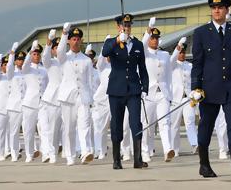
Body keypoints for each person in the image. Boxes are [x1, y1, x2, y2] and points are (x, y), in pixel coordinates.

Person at [191, 0, 231, 178]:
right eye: (214, 8)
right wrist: (195, 88)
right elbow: (197, 63)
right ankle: (204, 164)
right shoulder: (201, 33)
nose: (217, 10)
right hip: (209, 89)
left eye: (220, 7)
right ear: (211, 11)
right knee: (206, 127)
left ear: (226, 10)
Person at [102, 14, 149, 169]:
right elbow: (104, 52)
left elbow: (142, 67)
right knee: (116, 123)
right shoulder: (111, 42)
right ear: (118, 26)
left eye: (128, 25)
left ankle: (137, 159)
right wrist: (117, 41)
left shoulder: (137, 44)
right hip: (116, 90)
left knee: (136, 123)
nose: (126, 28)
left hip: (133, 89)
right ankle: (116, 159)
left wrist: (145, 87)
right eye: (124, 25)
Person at [57, 23, 94, 166]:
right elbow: (60, 50)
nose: (76, 41)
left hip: (83, 97)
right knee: (69, 128)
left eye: (78, 38)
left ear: (81, 41)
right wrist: (64, 33)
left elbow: (90, 81)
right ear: (69, 41)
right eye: (73, 38)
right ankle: (70, 155)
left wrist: (91, 98)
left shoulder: (86, 59)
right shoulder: (64, 57)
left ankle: (85, 152)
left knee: (84, 125)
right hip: (67, 98)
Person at [141, 23, 175, 162]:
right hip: (148, 93)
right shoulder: (144, 53)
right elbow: (142, 46)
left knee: (164, 121)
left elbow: (168, 76)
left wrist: (169, 94)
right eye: (152, 37)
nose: (154, 40)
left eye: (156, 37)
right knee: (146, 124)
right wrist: (147, 31)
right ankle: (144, 151)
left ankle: (168, 149)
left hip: (162, 93)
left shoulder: (165, 54)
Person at [170, 40, 198, 157]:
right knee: (174, 125)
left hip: (187, 98)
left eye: (183, 52)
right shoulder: (172, 64)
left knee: (190, 121)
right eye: (180, 52)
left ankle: (195, 144)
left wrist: (194, 96)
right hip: (175, 99)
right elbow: (171, 59)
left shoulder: (189, 66)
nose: (182, 54)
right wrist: (177, 47)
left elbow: (194, 82)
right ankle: (174, 149)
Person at [40, 31, 63, 164]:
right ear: (53, 50)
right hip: (51, 99)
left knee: (57, 129)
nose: (59, 50)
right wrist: (49, 41)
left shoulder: (67, 61)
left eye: (61, 47)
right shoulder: (51, 62)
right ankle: (49, 153)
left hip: (64, 99)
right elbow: (45, 57)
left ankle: (52, 152)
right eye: (56, 47)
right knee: (48, 128)